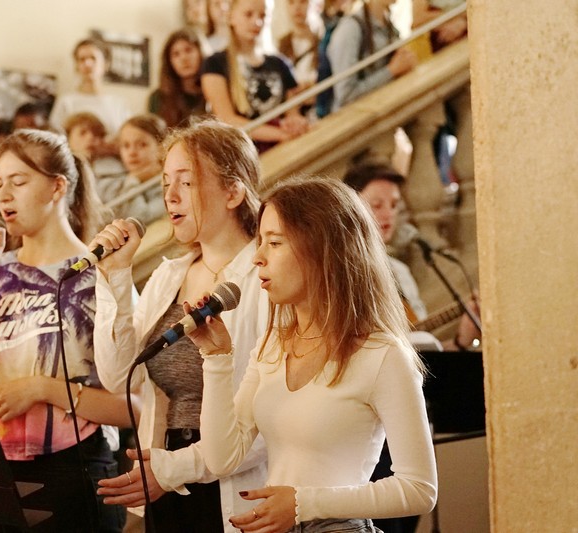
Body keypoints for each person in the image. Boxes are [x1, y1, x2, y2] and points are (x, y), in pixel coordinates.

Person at [188, 176, 438, 532]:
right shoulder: (272, 344)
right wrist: (216, 358)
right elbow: (221, 458)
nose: (258, 258)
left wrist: (304, 504)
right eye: (260, 242)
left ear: (324, 251)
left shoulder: (382, 354)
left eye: (275, 243)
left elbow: (419, 489)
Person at [92, 119, 269, 533]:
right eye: (165, 182)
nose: (169, 195)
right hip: (165, 475)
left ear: (233, 192)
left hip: (237, 487)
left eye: (186, 183)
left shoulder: (264, 278)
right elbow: (118, 376)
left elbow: (274, 419)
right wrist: (116, 276)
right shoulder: (169, 275)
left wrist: (177, 469)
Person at [0, 129, 129, 532]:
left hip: (78, 468)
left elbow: (133, 406)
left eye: (18, 182)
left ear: (57, 187)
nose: (4, 195)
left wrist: (41, 389)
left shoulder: (101, 274)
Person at [343, 163, 481, 351]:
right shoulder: (340, 272)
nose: (388, 214)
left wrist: (460, 342)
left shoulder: (401, 272)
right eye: (377, 205)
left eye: (394, 205)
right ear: (349, 208)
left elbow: (419, 353)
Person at [201, 0, 310, 151]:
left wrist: (295, 123)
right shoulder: (214, 64)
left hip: (286, 148)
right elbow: (227, 119)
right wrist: (279, 134)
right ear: (231, 17)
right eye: (248, 14)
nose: (257, 22)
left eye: (263, 16)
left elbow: (292, 111)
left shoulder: (280, 63)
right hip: (247, 152)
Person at [327, 0, 417, 112]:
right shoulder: (349, 29)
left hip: (386, 106)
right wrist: (391, 71)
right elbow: (346, 95)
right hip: (360, 115)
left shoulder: (386, 23)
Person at [49, 39, 132, 141]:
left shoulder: (119, 103)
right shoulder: (66, 102)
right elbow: (55, 139)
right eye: (82, 59)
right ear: (77, 66)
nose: (87, 64)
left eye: (93, 58)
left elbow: (128, 138)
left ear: (105, 64)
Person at [96, 114, 168, 225]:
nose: (132, 152)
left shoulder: (166, 186)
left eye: (142, 145)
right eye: (126, 145)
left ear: (161, 148)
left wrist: (133, 180)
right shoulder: (114, 181)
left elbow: (139, 218)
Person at [148, 28, 209, 128]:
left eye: (188, 50)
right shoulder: (158, 97)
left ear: (201, 52)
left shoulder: (215, 92)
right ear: (169, 62)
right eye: (176, 54)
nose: (184, 58)